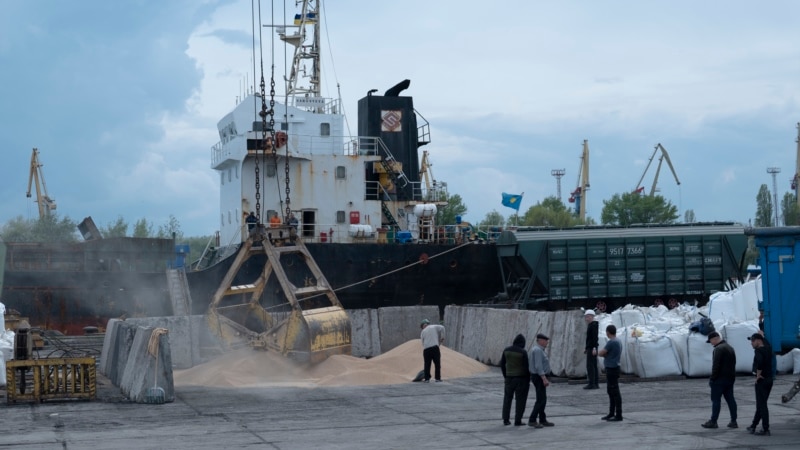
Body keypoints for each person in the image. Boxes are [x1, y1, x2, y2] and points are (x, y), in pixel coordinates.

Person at [702, 331, 738, 429]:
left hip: (719, 379)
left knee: (716, 400)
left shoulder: (718, 349)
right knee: (730, 400)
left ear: (715, 338)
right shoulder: (730, 348)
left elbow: (716, 365)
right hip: (730, 378)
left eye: (711, 341)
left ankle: (713, 421)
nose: (711, 344)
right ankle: (734, 421)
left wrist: (712, 378)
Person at [499, 334, 530, 426]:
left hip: (509, 378)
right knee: (520, 400)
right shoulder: (523, 352)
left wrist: (506, 376)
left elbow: (502, 364)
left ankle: (506, 419)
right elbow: (526, 367)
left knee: (507, 399)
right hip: (521, 379)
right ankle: (518, 420)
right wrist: (528, 380)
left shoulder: (506, 350)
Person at [747, 333, 773, 436]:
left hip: (761, 380)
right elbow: (765, 342)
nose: (751, 343)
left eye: (753, 341)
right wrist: (762, 334)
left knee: (762, 405)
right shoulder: (768, 348)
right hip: (769, 379)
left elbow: (760, 362)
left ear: (758, 340)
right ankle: (753, 425)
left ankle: (765, 428)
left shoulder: (758, 351)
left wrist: (758, 374)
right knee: (761, 404)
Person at [527, 333, 553, 428]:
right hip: (539, 377)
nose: (547, 342)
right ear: (540, 341)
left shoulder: (538, 349)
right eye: (546, 341)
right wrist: (544, 378)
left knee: (543, 399)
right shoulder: (538, 350)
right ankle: (532, 420)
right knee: (541, 400)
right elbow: (538, 366)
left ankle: (542, 419)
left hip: (538, 376)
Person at [598, 324, 623, 422]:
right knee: (611, 391)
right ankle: (612, 413)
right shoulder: (618, 341)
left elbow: (601, 353)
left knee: (614, 392)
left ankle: (618, 414)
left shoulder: (611, 342)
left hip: (611, 368)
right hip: (615, 367)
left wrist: (599, 353)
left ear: (608, 332)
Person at [584, 309, 599, 389]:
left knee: (590, 366)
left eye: (588, 317)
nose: (586, 319)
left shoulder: (593, 326)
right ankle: (595, 383)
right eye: (586, 317)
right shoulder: (592, 325)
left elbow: (594, 338)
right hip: (591, 347)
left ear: (592, 317)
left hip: (592, 348)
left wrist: (594, 348)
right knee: (594, 365)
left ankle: (592, 383)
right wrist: (586, 347)